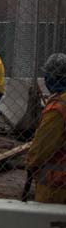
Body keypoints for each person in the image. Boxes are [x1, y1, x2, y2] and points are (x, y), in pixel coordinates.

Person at [26, 53, 66, 204]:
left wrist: (31, 163)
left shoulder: (57, 108)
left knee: (48, 224)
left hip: (57, 182)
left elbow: (43, 145)